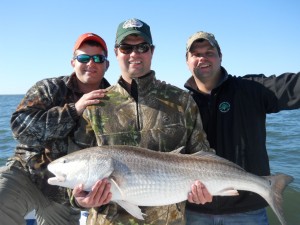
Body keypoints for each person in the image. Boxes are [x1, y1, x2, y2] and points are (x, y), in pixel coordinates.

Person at [68, 18, 214, 225]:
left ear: (151, 51)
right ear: (117, 52)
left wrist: (205, 192)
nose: (134, 54)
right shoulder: (95, 105)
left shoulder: (181, 101)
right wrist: (80, 199)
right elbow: (75, 172)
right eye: (127, 48)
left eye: (142, 47)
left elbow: (203, 156)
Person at [184, 31, 300, 224]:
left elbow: (293, 86)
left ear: (220, 56)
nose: (202, 58)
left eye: (209, 52)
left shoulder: (251, 89)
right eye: (195, 54)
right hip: (196, 212)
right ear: (187, 61)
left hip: (247, 212)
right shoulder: (181, 103)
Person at [0, 32, 111, 225]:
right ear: (73, 63)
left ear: (106, 65)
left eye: (98, 58)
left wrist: (86, 196)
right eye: (83, 58)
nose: (91, 63)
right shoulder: (49, 88)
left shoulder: (114, 102)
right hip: (26, 176)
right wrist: (74, 110)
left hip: (68, 196)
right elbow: (21, 129)